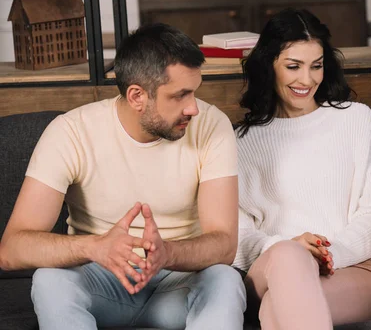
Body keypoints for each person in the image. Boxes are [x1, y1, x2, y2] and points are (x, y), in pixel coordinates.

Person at [0, 23, 246, 330]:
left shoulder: (212, 126)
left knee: (224, 278)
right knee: (50, 279)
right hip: (101, 282)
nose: (194, 108)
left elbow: (224, 245)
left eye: (195, 92)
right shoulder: (71, 132)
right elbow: (12, 250)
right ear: (137, 96)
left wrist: (166, 253)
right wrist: (94, 247)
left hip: (177, 287)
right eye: (181, 95)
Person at [233, 8, 371, 330]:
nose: (307, 80)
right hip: (270, 268)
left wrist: (328, 254)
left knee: (279, 308)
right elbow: (237, 237)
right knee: (290, 258)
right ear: (269, 66)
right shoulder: (240, 142)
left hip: (352, 269)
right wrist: (291, 248)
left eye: (316, 66)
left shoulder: (355, 120)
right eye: (293, 66)